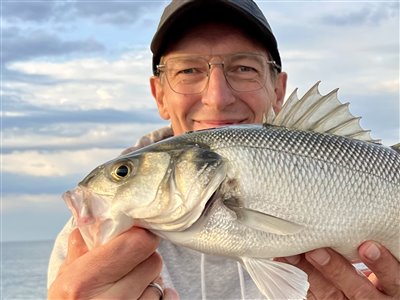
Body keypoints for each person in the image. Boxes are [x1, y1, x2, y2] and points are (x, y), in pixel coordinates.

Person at [48, 0, 400, 299]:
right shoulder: (90, 246)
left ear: (279, 89)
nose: (217, 98)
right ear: (159, 95)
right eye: (188, 70)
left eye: (243, 68)